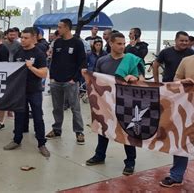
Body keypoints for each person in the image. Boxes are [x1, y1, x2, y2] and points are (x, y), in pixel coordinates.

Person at [84, 32, 141, 175]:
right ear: (110, 44)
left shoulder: (130, 60)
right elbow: (97, 80)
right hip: (107, 101)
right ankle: (100, 155)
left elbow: (140, 78)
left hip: (126, 101)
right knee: (103, 128)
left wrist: (133, 77)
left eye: (124, 43)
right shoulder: (102, 61)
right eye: (119, 43)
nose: (122, 46)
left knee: (127, 131)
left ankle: (130, 162)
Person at [3, 27, 50, 157]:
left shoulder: (39, 53)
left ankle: (41, 143)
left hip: (34, 90)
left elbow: (44, 73)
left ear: (33, 38)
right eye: (21, 37)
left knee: (37, 116)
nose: (22, 40)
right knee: (19, 116)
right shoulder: (18, 52)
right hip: (20, 91)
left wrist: (31, 67)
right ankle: (17, 140)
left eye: (25, 38)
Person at [47, 18, 87, 144]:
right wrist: (52, 76)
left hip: (71, 81)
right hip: (56, 81)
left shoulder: (77, 43)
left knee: (75, 108)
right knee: (57, 107)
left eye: (60, 27)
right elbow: (53, 60)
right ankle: (57, 129)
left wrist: (74, 79)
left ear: (67, 28)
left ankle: (79, 132)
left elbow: (82, 62)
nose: (57, 30)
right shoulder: (57, 43)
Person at [159, 53, 194, 187]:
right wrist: (182, 82)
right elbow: (176, 81)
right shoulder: (187, 60)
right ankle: (176, 175)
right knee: (182, 140)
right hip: (188, 108)